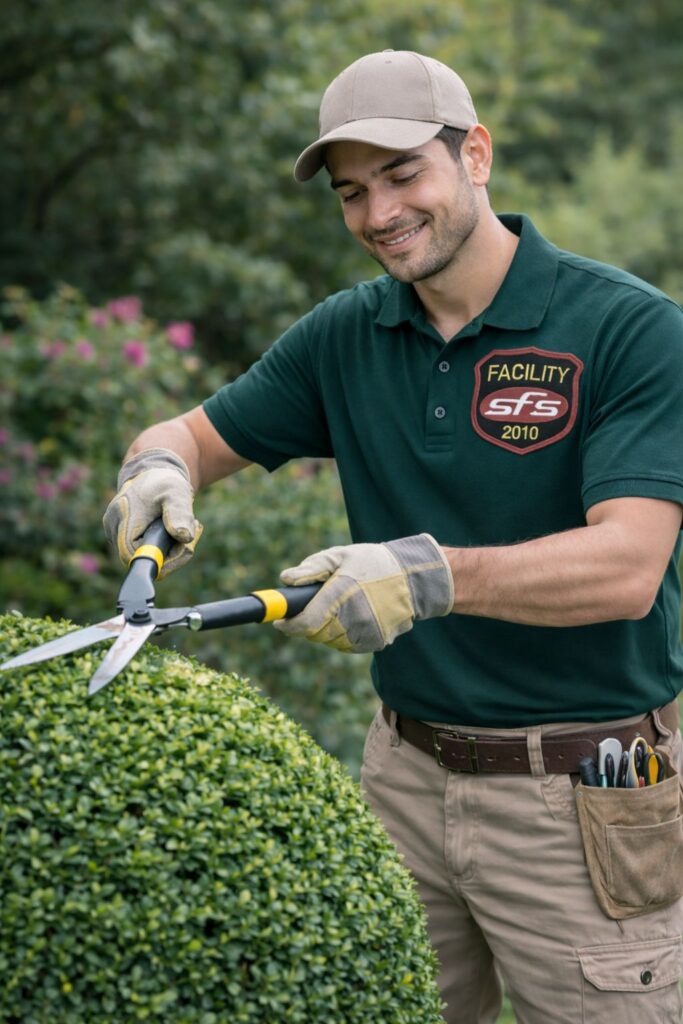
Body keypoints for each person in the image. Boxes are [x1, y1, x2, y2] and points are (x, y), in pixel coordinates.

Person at [103, 50, 683, 1024]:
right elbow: (189, 437)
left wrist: (424, 576)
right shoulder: (346, 335)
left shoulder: (627, 330)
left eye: (403, 174)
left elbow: (626, 566)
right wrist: (153, 471)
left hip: (591, 789)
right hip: (401, 781)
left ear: (476, 155)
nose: (378, 216)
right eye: (351, 193)